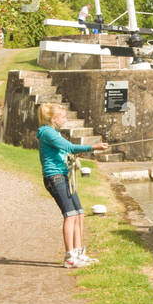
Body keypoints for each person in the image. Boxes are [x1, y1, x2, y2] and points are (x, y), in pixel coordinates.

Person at [37, 104, 109, 267]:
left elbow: (67, 150)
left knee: (79, 213)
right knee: (70, 215)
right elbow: (69, 147)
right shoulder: (48, 132)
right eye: (63, 117)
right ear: (54, 119)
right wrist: (94, 147)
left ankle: (79, 253)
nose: (66, 119)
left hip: (62, 176)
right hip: (54, 177)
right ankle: (70, 257)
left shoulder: (53, 132)